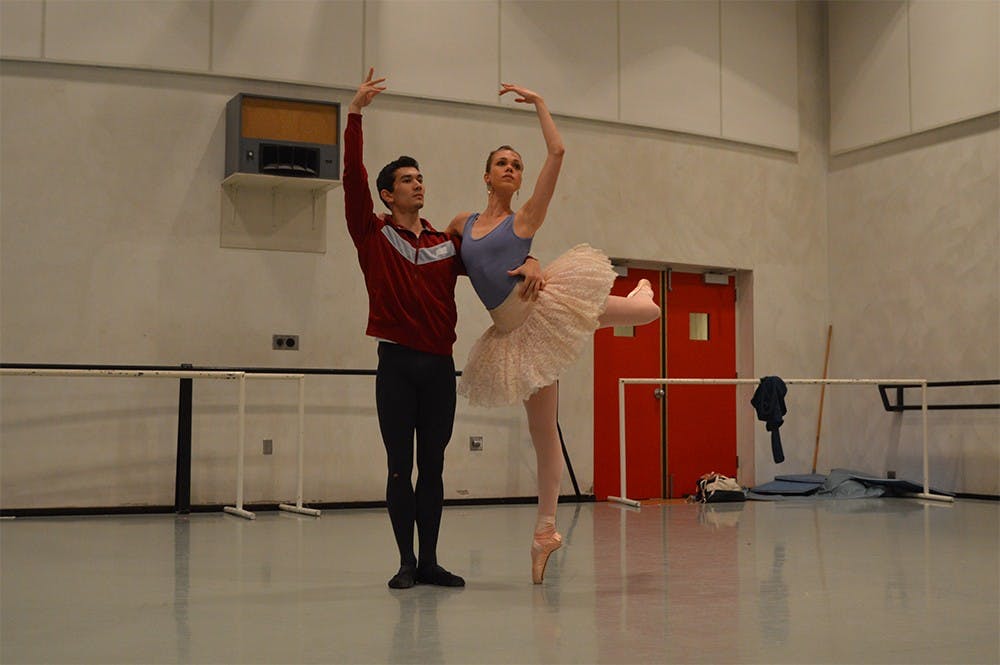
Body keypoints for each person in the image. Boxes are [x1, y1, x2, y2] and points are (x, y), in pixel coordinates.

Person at [446, 83, 660, 584]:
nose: (511, 170)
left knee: (646, 314)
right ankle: (545, 533)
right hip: (512, 337)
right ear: (486, 175)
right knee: (545, 438)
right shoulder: (463, 223)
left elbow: (558, 151)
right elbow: (451, 262)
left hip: (543, 311)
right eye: (503, 162)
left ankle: (643, 291)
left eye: (517, 165)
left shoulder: (525, 218)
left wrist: (540, 104)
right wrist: (527, 261)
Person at [344, 70, 544, 590]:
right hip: (396, 365)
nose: (418, 184)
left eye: (420, 178)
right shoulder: (373, 234)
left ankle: (429, 561)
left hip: (437, 367)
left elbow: (493, 256)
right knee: (399, 466)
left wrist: (535, 259)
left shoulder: (444, 243)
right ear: (388, 194)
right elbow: (350, 177)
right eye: (408, 180)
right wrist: (356, 116)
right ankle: (405, 563)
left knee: (432, 467)